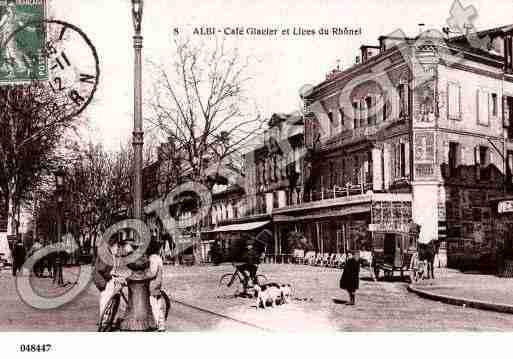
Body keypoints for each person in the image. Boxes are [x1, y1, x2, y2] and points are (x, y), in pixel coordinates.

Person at [147, 240, 165, 331]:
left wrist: (144, 274)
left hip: (152, 284)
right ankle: (161, 324)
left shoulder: (152, 258)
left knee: (153, 305)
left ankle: (156, 323)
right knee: (159, 304)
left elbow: (152, 273)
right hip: (158, 283)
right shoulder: (159, 258)